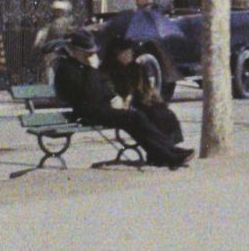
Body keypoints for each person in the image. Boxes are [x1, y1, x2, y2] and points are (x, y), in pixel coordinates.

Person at [51, 31, 192, 169]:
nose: (91, 55)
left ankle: (166, 153)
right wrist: (91, 68)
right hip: (87, 113)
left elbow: (103, 85)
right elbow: (89, 94)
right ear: (74, 51)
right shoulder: (66, 69)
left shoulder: (86, 68)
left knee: (138, 117)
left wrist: (114, 97)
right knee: (135, 117)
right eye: (87, 53)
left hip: (102, 108)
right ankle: (169, 154)